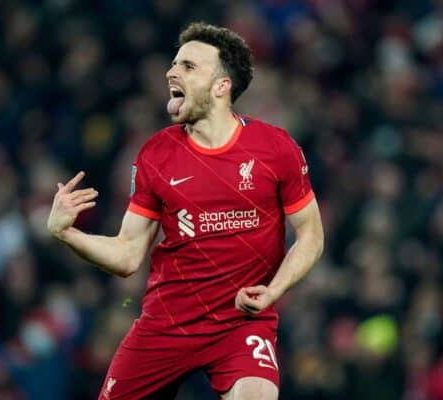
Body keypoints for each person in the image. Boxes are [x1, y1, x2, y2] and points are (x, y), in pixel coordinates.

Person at [47, 22, 324, 400]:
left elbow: (311, 236)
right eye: (174, 64)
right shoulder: (156, 155)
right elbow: (128, 255)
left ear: (221, 86)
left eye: (188, 66)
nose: (171, 72)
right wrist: (67, 233)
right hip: (167, 324)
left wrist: (274, 290)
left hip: (241, 324)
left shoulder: (275, 148)